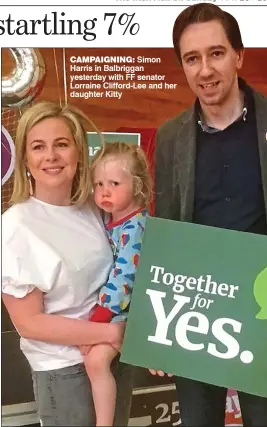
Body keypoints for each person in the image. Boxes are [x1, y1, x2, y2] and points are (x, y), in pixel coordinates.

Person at [154, 3, 267, 427]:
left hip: (265, 313)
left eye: (216, 53)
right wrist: (159, 328)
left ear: (238, 55)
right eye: (192, 58)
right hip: (196, 310)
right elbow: (166, 225)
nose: (205, 69)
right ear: (183, 66)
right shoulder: (171, 137)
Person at [2, 101, 134, 427]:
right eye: (38, 147)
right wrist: (109, 331)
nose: (51, 156)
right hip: (65, 374)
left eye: (61, 144)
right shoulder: (17, 225)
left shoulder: (93, 208)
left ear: (79, 152)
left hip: (113, 358)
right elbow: (29, 323)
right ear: (26, 160)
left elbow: (123, 275)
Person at [79, 141, 152, 426]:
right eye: (98, 184)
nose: (104, 191)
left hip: (133, 312)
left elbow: (125, 276)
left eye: (114, 183)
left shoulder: (136, 227)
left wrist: (100, 317)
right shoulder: (112, 219)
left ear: (136, 186)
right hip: (120, 310)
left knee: (95, 361)